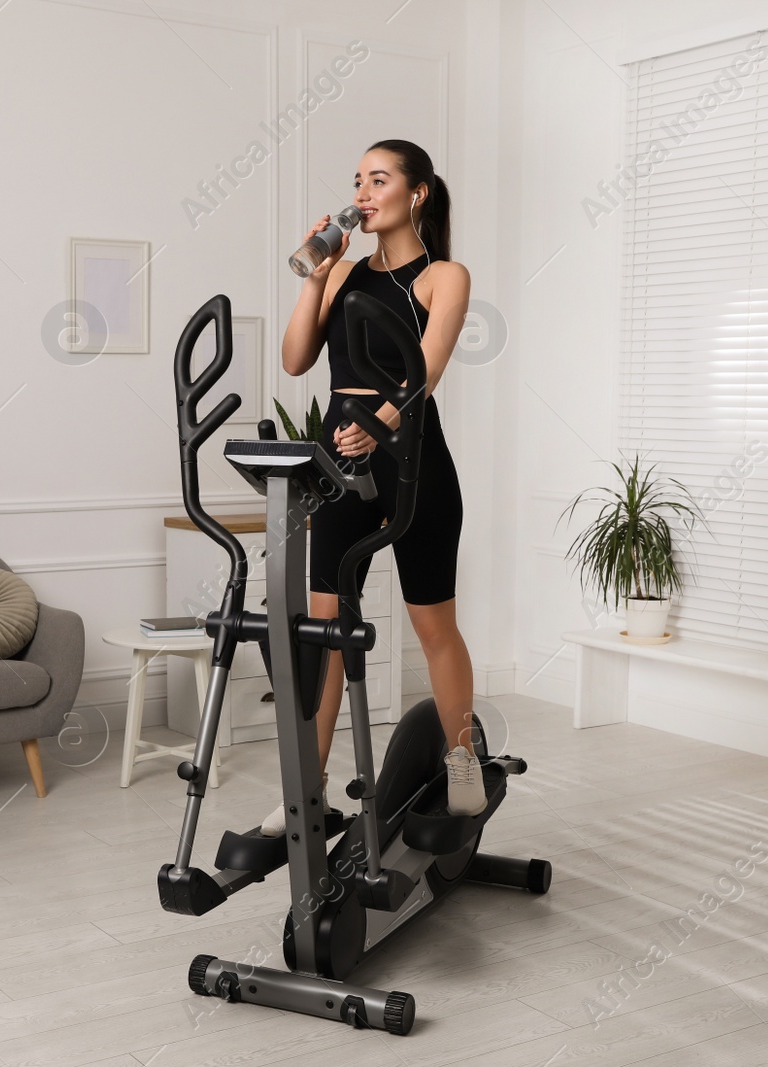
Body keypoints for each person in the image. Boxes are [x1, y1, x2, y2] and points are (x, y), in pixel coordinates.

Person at [262, 138, 481, 835]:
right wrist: (313, 278)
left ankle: (463, 760)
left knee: (431, 624)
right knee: (327, 630)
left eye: (378, 179)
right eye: (357, 179)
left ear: (415, 193)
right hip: (337, 462)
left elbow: (429, 369)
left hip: (412, 456)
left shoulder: (445, 275)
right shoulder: (342, 271)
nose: (362, 191)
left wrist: (379, 425)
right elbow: (296, 362)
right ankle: (310, 788)